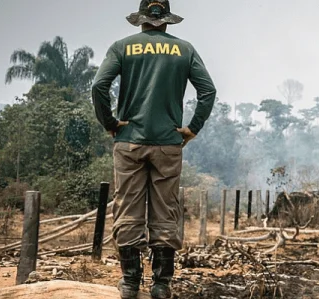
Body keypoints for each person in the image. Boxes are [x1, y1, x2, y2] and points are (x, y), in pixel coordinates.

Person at [91, 1, 216, 298]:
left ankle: (131, 283)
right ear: (167, 21)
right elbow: (208, 91)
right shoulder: (184, 49)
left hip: (129, 142)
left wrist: (110, 123)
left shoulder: (123, 47)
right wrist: (192, 128)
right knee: (166, 210)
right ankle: (161, 285)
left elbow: (99, 86)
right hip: (168, 144)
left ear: (141, 19)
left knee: (128, 209)